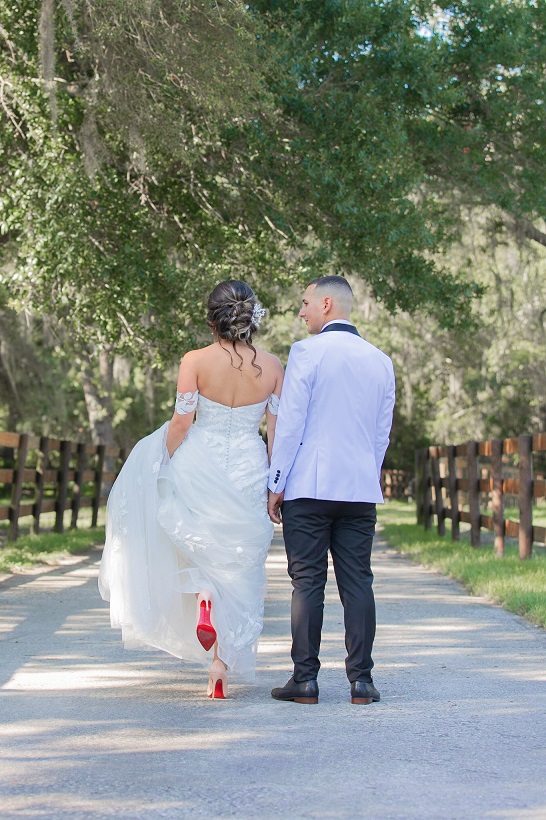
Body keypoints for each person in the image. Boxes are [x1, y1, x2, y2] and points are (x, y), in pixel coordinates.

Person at [99, 280, 283, 699]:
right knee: (239, 560)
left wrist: (158, 463)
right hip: (251, 466)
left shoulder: (195, 360)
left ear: (212, 318)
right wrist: (276, 482)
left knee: (197, 542)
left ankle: (203, 595)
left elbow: (182, 422)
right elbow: (277, 432)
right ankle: (220, 662)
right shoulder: (273, 366)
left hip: (202, 459)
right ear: (251, 318)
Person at [267, 275, 395, 705]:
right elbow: (382, 435)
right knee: (358, 581)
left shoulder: (307, 352)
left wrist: (276, 482)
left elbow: (291, 424)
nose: (300, 312)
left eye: (304, 303)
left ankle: (305, 680)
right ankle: (362, 681)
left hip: (309, 486)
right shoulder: (380, 360)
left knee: (307, 581)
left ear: (326, 304)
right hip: (359, 489)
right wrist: (365, 473)